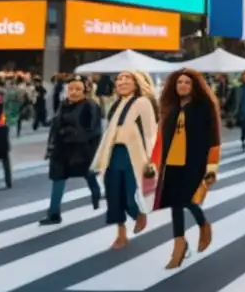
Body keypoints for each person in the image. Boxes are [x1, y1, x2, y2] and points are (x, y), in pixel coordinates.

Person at [150, 69, 222, 269]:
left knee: (188, 199)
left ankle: (202, 224)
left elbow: (214, 139)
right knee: (174, 203)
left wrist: (212, 167)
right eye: (179, 82)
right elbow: (161, 138)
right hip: (172, 162)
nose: (182, 85)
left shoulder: (204, 107)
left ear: (194, 86)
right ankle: (179, 244)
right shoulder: (170, 108)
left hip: (195, 162)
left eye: (187, 82)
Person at [91, 71, 158, 250]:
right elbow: (108, 133)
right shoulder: (115, 103)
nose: (122, 82)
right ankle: (120, 234)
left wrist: (153, 158)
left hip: (133, 155)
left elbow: (151, 132)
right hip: (113, 153)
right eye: (119, 79)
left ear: (136, 83)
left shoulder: (143, 102)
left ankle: (138, 214)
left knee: (130, 196)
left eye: (127, 79)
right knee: (113, 196)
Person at [40, 77, 102, 225]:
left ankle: (96, 192)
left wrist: (73, 134)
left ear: (85, 91)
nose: (73, 92)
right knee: (58, 178)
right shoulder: (63, 105)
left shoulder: (90, 105)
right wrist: (50, 147)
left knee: (88, 175)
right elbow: (55, 127)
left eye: (78, 89)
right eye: (71, 89)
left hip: (81, 150)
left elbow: (94, 130)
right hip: (61, 149)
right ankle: (54, 213)